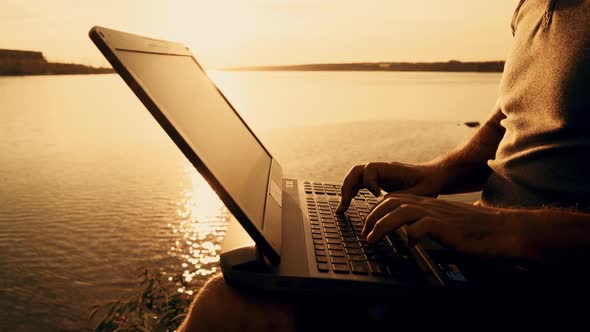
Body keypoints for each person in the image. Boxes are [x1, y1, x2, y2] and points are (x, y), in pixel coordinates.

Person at [179, 1, 590, 331]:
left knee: (233, 308)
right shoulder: (529, 8)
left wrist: (498, 226)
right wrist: (435, 174)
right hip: (473, 267)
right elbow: (508, 126)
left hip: (548, 285)